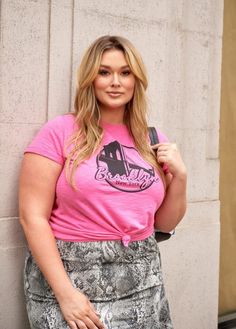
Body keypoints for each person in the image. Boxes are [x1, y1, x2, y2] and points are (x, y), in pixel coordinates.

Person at [19, 35, 187, 329]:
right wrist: (65, 293)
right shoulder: (60, 131)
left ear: (136, 81)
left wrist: (181, 177)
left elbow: (164, 222)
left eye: (125, 73)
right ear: (90, 79)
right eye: (104, 72)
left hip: (141, 280)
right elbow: (32, 217)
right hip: (71, 278)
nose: (115, 82)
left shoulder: (152, 139)